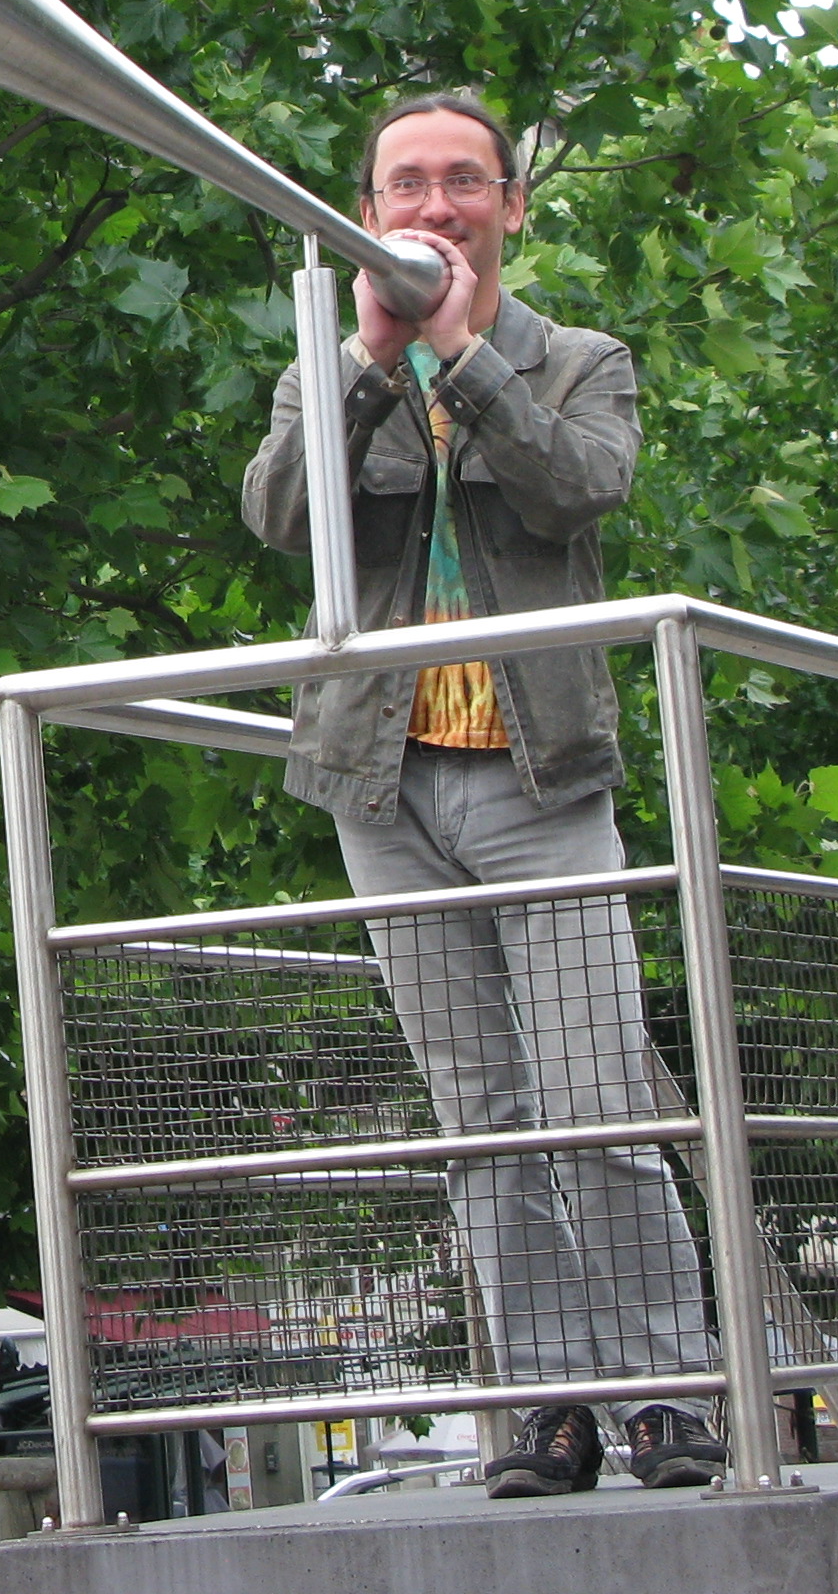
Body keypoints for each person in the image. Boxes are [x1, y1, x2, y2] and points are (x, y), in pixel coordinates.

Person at [243, 90, 726, 1499]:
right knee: (482, 1122)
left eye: (464, 181)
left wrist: (461, 358)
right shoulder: (325, 365)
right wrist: (368, 364)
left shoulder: (579, 359)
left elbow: (580, 490)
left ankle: (665, 1396)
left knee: (596, 1101)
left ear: (511, 206)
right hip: (382, 788)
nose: (434, 207)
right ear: (366, 214)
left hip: (539, 778)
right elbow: (279, 514)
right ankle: (546, 1409)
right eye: (406, 185)